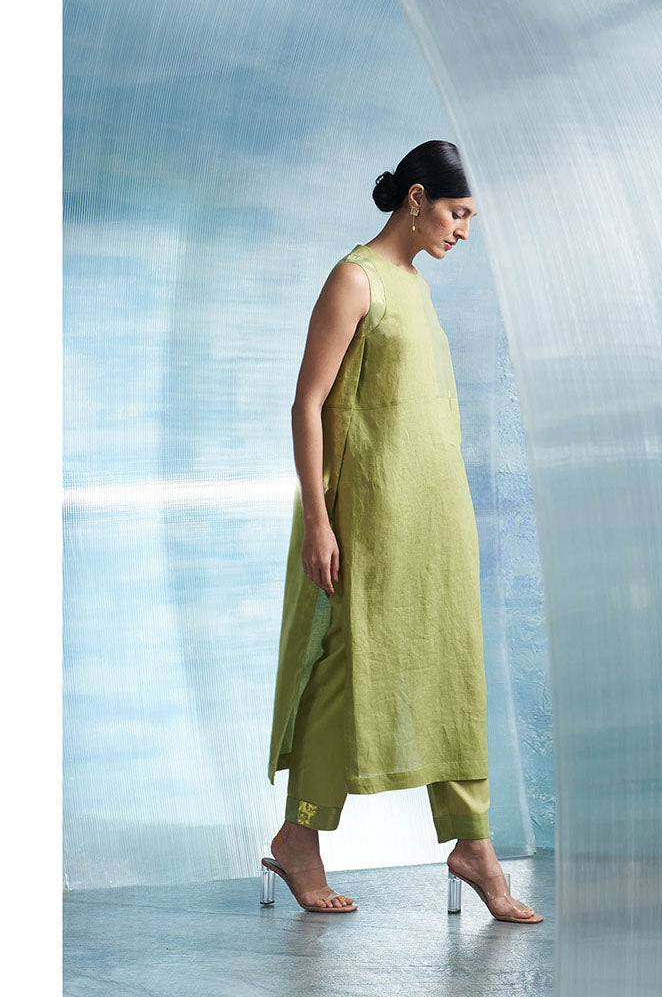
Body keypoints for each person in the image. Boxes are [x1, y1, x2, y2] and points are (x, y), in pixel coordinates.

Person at [262, 140, 542, 923]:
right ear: (416, 198)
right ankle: (299, 836)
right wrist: (319, 521)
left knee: (454, 668)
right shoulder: (356, 280)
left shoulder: (414, 284)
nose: (463, 230)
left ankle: (473, 844)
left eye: (469, 218)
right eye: (457, 213)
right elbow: (308, 403)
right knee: (348, 668)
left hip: (438, 517)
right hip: (371, 515)